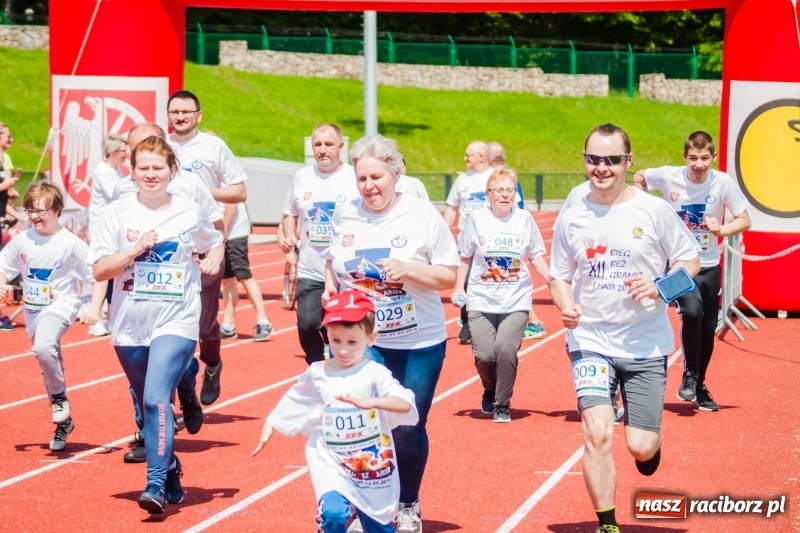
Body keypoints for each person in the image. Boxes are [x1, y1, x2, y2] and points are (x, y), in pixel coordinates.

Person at [549, 123, 700, 533]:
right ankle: (608, 524)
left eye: (612, 160)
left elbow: (690, 261)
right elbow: (558, 275)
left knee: (640, 445)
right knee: (597, 431)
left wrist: (659, 286)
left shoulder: (653, 211)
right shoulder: (573, 211)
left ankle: (650, 441)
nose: (602, 168)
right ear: (584, 161)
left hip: (645, 342)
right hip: (590, 339)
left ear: (628, 162)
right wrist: (566, 306)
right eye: (594, 159)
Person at [324, 134, 459, 533]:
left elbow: (448, 276)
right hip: (368, 344)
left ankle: (408, 502)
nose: (369, 186)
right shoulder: (346, 214)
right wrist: (334, 288)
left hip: (420, 343)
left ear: (396, 174)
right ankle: (359, 503)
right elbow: (334, 262)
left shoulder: (420, 214)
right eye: (361, 178)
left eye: (376, 177)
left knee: (407, 426)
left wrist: (410, 270)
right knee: (362, 420)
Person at [90, 135, 224, 514]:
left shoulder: (187, 209)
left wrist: (213, 257)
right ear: (131, 171)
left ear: (172, 171)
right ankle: (173, 471)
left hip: (176, 318)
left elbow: (214, 240)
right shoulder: (116, 213)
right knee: (150, 408)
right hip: (130, 324)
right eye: (143, 168)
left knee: (153, 399)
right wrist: (133, 251)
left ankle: (154, 484)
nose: (151, 174)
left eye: (158, 168)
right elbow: (100, 268)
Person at [252, 289, 419, 532]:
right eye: (335, 340)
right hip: (330, 459)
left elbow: (404, 403)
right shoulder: (318, 372)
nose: (342, 350)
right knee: (333, 514)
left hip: (370, 463)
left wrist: (372, 403)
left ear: (371, 338)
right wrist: (271, 424)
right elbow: (296, 398)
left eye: (352, 342)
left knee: (379, 525)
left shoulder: (374, 372)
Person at [113, 122, 225, 462]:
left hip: (177, 294)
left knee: (161, 371)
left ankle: (176, 400)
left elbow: (215, 226)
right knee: (140, 370)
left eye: (153, 156)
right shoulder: (121, 192)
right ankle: (180, 389)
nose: (148, 170)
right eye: (137, 156)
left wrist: (211, 254)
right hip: (134, 292)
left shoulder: (191, 186)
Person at [633, 131, 751, 412]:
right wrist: (645, 205)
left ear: (713, 158)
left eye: (705, 158)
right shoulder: (669, 176)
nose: (699, 164)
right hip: (678, 266)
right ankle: (687, 375)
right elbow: (639, 175)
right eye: (694, 158)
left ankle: (698, 384)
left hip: (709, 265)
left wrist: (721, 230)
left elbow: (745, 220)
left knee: (708, 328)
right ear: (684, 156)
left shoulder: (721, 182)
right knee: (692, 311)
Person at [167, 89, 268, 406]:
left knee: (205, 324)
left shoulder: (213, 146)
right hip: (170, 246)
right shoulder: (161, 147)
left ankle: (212, 365)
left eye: (187, 111)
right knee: (168, 322)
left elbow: (239, 192)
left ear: (199, 114)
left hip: (208, 244)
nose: (181, 116)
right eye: (175, 111)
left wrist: (201, 191)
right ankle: (173, 392)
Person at [0, 182, 105, 451]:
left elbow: (99, 273)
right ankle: (64, 422)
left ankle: (59, 400)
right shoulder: (23, 239)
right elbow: (4, 267)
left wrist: (94, 307)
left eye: (42, 210)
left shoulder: (70, 243)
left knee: (44, 347)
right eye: (30, 210)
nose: (35, 216)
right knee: (47, 359)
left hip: (61, 305)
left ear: (57, 211)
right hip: (34, 310)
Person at [450, 168, 549, 423]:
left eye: (510, 190)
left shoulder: (524, 219)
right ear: (489, 195)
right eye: (499, 190)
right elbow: (465, 256)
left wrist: (552, 279)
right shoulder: (476, 220)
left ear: (515, 194)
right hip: (481, 297)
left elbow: (535, 254)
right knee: (484, 355)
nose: (505, 195)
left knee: (505, 350)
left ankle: (502, 402)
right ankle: (490, 388)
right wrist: (459, 287)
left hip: (516, 298)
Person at [281, 123, 358, 365]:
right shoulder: (302, 177)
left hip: (345, 270)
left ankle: (339, 370)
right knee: (307, 324)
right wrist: (289, 236)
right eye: (317, 144)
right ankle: (316, 365)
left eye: (328, 144)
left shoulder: (353, 177)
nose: (322, 150)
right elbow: (288, 214)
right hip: (310, 268)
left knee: (343, 327)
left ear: (341, 147)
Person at [443, 141, 524, 344]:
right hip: (467, 238)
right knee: (466, 280)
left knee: (490, 279)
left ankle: (495, 320)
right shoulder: (462, 180)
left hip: (494, 239)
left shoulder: (497, 177)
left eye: (467, 154)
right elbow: (452, 207)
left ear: (481, 156)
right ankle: (467, 322)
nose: (464, 158)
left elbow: (516, 205)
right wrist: (444, 232)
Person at [487, 141, 546, 340]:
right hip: (494, 241)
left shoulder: (502, 180)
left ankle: (534, 323)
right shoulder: (498, 178)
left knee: (510, 280)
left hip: (508, 241)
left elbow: (516, 208)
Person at [86, 133, 129, 337]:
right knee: (103, 272)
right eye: (123, 150)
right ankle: (95, 318)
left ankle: (111, 317)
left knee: (115, 272)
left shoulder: (116, 170)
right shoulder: (103, 171)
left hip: (113, 227)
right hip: (101, 228)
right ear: (111, 152)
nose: (126, 154)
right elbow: (119, 194)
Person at [219, 201, 273, 341]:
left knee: (243, 274)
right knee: (227, 278)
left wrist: (223, 230)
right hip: (221, 230)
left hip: (234, 230)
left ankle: (264, 321)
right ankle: (228, 325)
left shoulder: (225, 180)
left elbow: (232, 203)